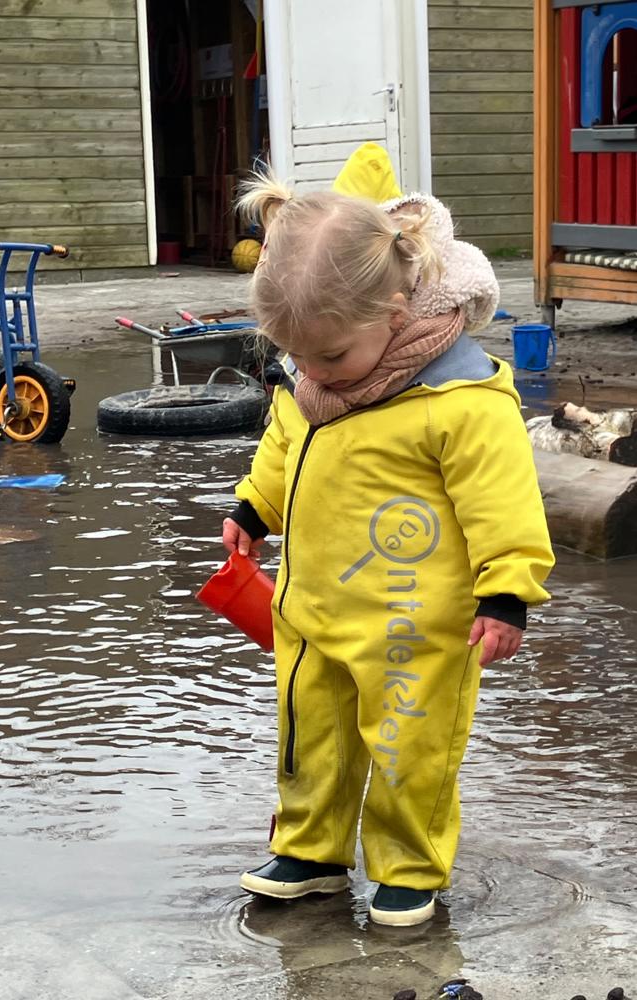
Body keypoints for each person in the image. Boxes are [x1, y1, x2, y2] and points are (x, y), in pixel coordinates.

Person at [222, 173, 555, 928]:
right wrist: (255, 506)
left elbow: (503, 500)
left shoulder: (459, 399)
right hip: (312, 610)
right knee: (309, 737)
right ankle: (311, 851)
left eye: (330, 354)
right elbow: (285, 443)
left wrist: (507, 592)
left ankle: (407, 870)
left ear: (395, 313)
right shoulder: (311, 381)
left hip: (413, 623)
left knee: (411, 747)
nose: (312, 372)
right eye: (295, 356)